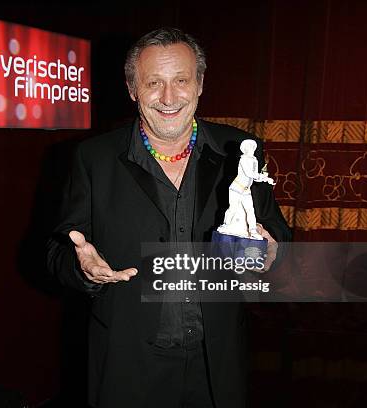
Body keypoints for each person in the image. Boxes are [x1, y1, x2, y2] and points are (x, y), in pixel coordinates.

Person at [46, 27, 291, 408]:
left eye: (181, 81)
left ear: (200, 84)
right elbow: (58, 251)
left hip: (217, 363)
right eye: (153, 83)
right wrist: (83, 270)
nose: (168, 98)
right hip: (128, 364)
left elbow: (275, 232)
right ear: (132, 89)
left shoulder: (240, 150)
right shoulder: (93, 159)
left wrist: (273, 253)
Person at [217, 139, 276, 240]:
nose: (251, 148)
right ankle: (226, 224)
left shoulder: (255, 160)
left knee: (250, 210)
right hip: (236, 188)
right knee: (233, 208)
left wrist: (266, 179)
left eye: (252, 146)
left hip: (246, 190)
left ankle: (253, 230)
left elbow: (254, 177)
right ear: (244, 149)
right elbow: (250, 173)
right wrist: (263, 177)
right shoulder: (243, 159)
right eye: (248, 146)